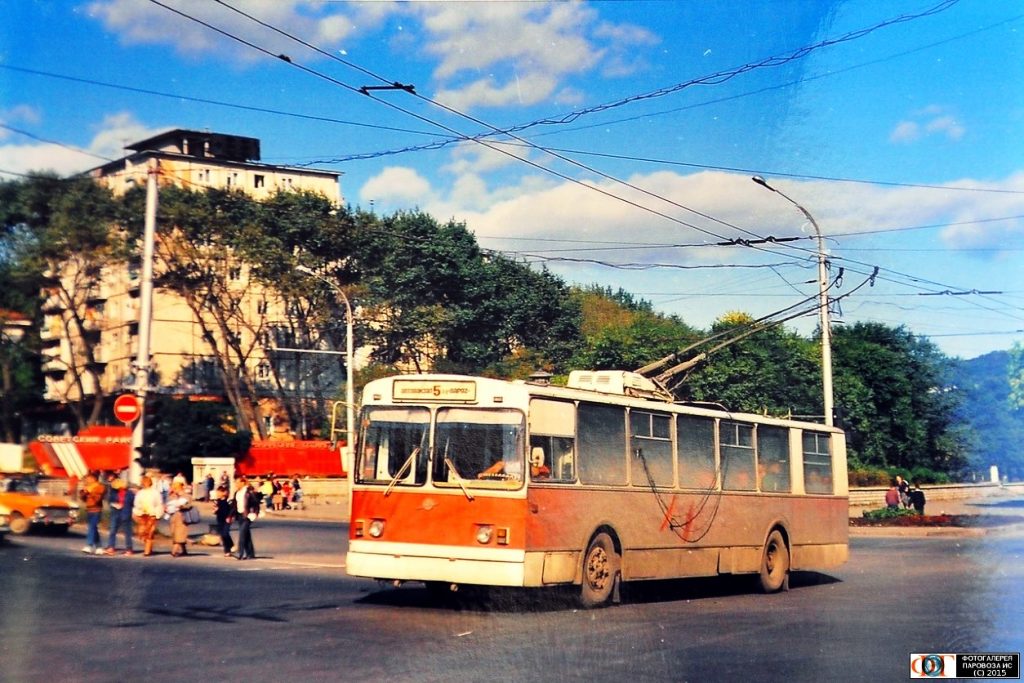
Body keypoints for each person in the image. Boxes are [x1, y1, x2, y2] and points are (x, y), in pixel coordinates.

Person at [132, 475, 164, 556]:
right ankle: (148, 547)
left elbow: (159, 503)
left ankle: (147, 551)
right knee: (142, 532)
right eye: (144, 482)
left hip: (152, 514)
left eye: (147, 482)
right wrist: (140, 508)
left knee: (150, 532)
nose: (145, 483)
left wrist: (158, 513)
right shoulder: (140, 493)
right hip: (142, 514)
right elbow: (136, 503)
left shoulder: (155, 493)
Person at [104, 479, 136, 555]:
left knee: (127, 532)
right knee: (112, 530)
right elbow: (110, 501)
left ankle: (129, 548)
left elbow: (133, 503)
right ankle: (111, 547)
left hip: (126, 513)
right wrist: (115, 504)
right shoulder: (114, 492)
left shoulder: (130, 493)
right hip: (115, 512)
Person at [79, 472, 107, 555]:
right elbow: (83, 498)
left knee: (92, 526)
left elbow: (97, 499)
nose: (87, 480)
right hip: (89, 509)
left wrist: (90, 492)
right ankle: (99, 546)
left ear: (94, 478)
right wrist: (84, 492)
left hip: (96, 509)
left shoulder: (100, 487)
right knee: (93, 528)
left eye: (89, 478)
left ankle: (89, 545)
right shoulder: (88, 487)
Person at [165, 482, 193, 557]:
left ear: (181, 488)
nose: (174, 490)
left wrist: (182, 506)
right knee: (174, 533)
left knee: (179, 533)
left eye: (176, 488)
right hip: (173, 517)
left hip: (182, 517)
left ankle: (174, 551)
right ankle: (184, 550)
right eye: (173, 488)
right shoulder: (172, 496)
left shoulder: (186, 496)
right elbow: (168, 504)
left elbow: (189, 505)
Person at [234, 477, 258, 560]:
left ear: (243, 483)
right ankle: (250, 553)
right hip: (240, 515)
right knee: (246, 534)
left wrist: (255, 513)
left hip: (247, 515)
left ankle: (240, 553)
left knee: (242, 534)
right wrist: (231, 515)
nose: (236, 484)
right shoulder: (237, 493)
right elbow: (234, 505)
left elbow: (255, 503)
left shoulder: (249, 492)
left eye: (237, 482)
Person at [212, 485, 234, 558]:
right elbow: (214, 510)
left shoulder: (228, 500)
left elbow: (232, 509)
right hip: (219, 518)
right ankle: (227, 550)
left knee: (225, 533)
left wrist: (231, 516)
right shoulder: (216, 501)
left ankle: (230, 545)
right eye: (217, 492)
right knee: (222, 535)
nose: (218, 494)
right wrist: (215, 510)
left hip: (227, 519)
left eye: (220, 492)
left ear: (224, 492)